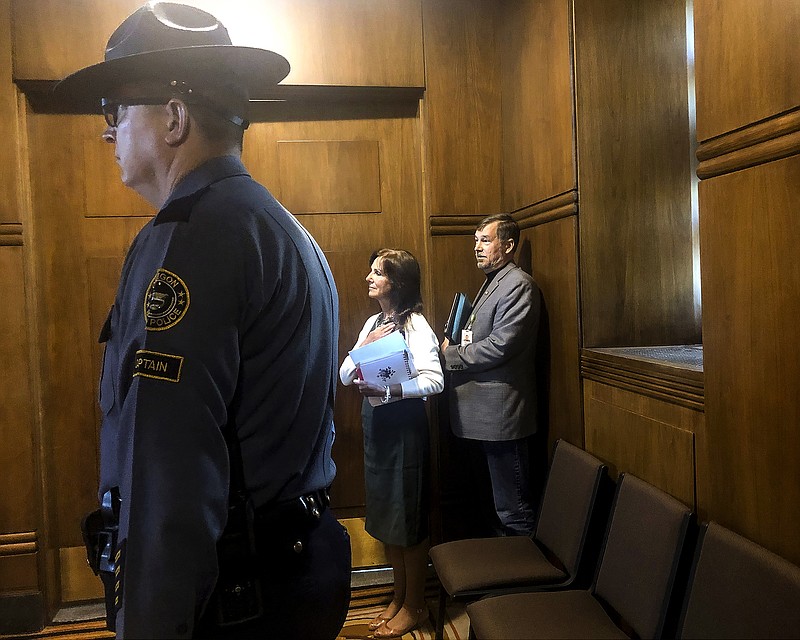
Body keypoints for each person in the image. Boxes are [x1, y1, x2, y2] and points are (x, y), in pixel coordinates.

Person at [54, 3, 351, 638]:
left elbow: (169, 474)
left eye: (115, 110)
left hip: (236, 598)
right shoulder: (279, 226)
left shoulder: (190, 239)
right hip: (295, 570)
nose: (106, 132)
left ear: (175, 118)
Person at [339, 249, 444, 638]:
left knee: (408, 521)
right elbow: (345, 374)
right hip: (378, 431)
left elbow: (435, 381)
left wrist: (392, 388)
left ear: (397, 283)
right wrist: (365, 345)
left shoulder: (416, 324)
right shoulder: (372, 322)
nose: (369, 277)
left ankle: (415, 606)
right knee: (387, 519)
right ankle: (398, 598)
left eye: (378, 272)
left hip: (405, 432)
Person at [441, 214, 540, 536]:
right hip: (478, 416)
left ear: (509, 245)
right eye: (475, 241)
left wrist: (450, 356)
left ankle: (523, 580)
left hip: (499, 418)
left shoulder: (519, 285)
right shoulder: (493, 282)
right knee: (489, 507)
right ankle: (499, 577)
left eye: (485, 240)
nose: (477, 248)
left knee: (512, 510)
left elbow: (500, 346)